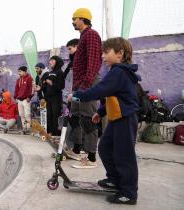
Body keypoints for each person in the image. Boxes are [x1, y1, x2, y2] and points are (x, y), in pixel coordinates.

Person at [70, 37, 139, 205]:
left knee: (124, 155)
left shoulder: (119, 72)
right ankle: (114, 179)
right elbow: (112, 95)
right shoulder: (116, 71)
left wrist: (79, 95)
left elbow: (100, 90)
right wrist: (100, 112)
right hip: (116, 117)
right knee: (105, 148)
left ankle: (129, 193)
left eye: (106, 52)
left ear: (120, 54)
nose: (102, 56)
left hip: (126, 118)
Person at [69, 8, 102, 168]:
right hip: (79, 85)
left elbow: (94, 62)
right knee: (75, 115)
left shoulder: (91, 34)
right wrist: (75, 88)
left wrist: (85, 86)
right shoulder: (82, 37)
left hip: (87, 83)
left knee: (88, 118)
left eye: (75, 18)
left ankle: (91, 158)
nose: (73, 21)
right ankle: (76, 149)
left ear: (83, 18)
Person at [45, 56, 65, 136]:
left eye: (52, 60)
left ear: (57, 61)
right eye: (50, 61)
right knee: (49, 114)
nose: (50, 62)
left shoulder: (60, 72)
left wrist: (52, 83)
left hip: (56, 97)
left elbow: (61, 86)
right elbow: (47, 85)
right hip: (49, 97)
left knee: (55, 114)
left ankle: (56, 133)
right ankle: (49, 131)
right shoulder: (50, 72)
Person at [14, 66, 34, 133]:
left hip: (26, 99)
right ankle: (24, 127)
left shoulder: (29, 78)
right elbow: (16, 89)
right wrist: (15, 97)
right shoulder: (18, 80)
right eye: (18, 71)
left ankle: (29, 127)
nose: (19, 73)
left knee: (27, 114)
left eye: (20, 71)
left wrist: (29, 97)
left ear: (24, 71)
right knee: (21, 114)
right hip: (19, 100)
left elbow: (32, 88)